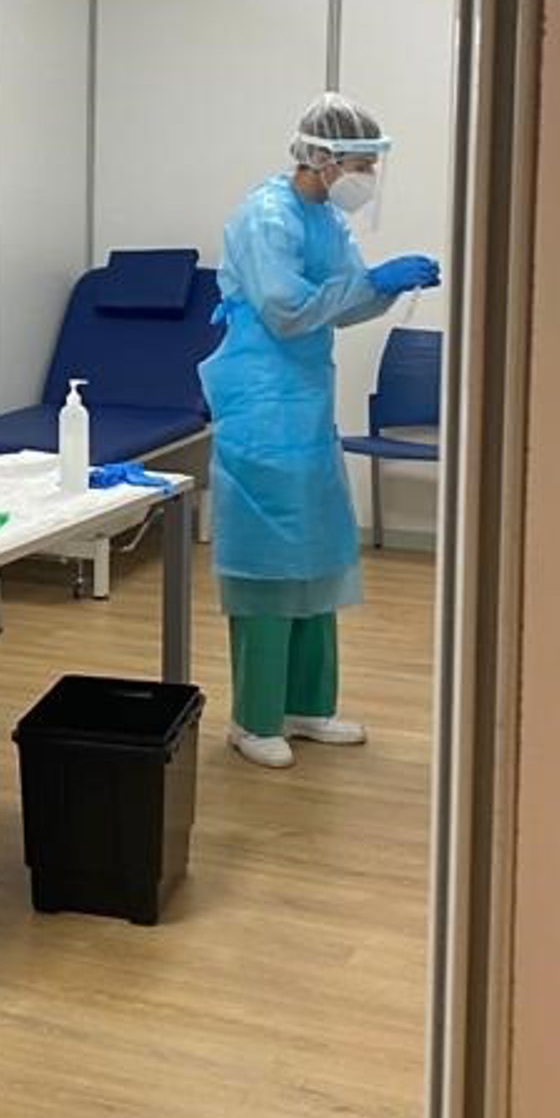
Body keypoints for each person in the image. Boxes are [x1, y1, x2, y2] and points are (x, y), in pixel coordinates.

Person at [198, 93, 441, 772]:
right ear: (322, 157)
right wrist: (369, 283)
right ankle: (254, 719)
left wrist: (384, 287)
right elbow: (287, 310)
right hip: (259, 402)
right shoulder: (266, 216)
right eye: (360, 162)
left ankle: (307, 706)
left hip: (303, 402)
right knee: (266, 562)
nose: (368, 175)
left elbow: (341, 303)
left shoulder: (327, 219)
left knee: (311, 551)